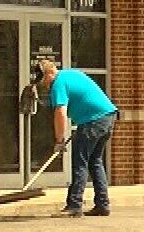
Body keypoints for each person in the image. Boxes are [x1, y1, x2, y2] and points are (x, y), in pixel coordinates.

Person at [36, 57, 117, 217]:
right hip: (107, 117)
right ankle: (103, 204)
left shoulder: (58, 83)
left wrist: (59, 140)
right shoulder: (69, 75)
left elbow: (60, 112)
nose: (45, 85)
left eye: (45, 79)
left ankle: (74, 206)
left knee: (80, 162)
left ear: (51, 72)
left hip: (93, 121)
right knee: (95, 161)